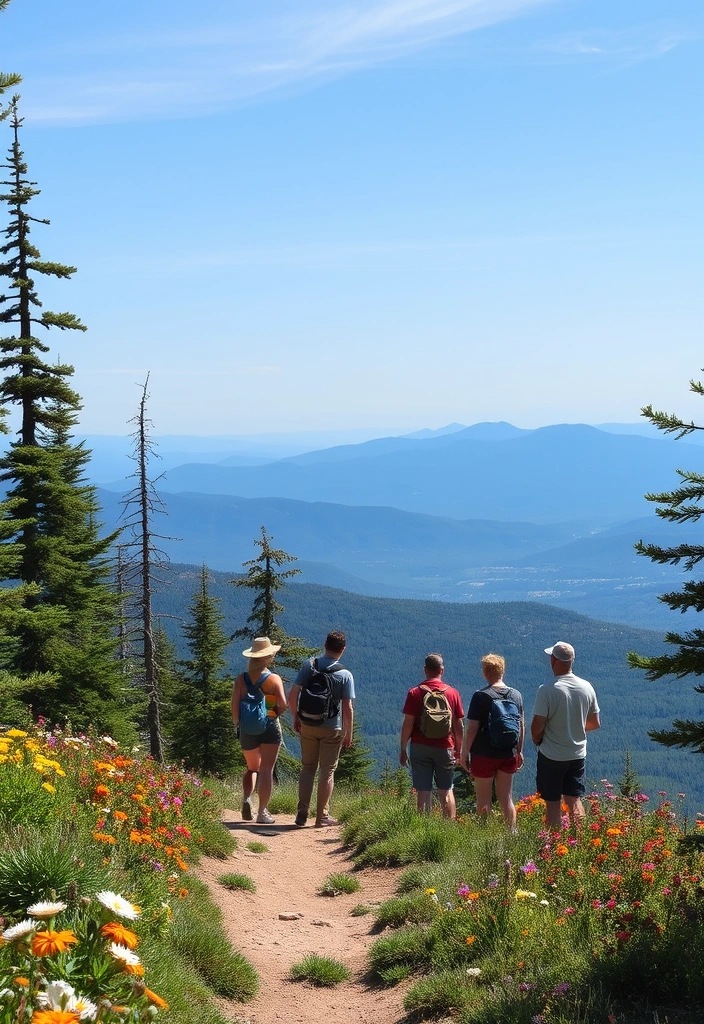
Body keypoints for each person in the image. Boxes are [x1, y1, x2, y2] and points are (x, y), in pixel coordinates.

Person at [530, 641, 601, 829]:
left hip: (552, 755)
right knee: (574, 800)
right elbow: (594, 723)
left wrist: (538, 739)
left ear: (553, 660)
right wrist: (574, 727)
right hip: (577, 754)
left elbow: (536, 728)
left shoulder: (547, 689)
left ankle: (553, 846)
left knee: (552, 803)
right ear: (572, 661)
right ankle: (581, 840)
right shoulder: (587, 687)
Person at [288, 630, 355, 828]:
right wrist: (348, 732)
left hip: (307, 724)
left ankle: (302, 809)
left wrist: (296, 717)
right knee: (327, 771)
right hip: (332, 729)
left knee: (308, 768)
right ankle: (322, 816)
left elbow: (293, 695)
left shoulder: (309, 666)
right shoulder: (345, 675)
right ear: (343, 649)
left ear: (324, 644)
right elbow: (348, 708)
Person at [460, 653, 524, 830]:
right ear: (502, 671)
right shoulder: (516, 695)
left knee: (483, 800)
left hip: (483, 754)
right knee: (507, 799)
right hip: (508, 753)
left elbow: (472, 727)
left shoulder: (481, 696)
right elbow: (521, 725)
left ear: (485, 672)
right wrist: (519, 750)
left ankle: (484, 837)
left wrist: (464, 753)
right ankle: (511, 834)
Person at [399, 653, 464, 817]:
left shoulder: (415, 693)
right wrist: (459, 750)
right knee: (447, 789)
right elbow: (458, 725)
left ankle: (424, 828)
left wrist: (403, 748)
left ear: (425, 670)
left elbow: (408, 723)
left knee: (423, 790)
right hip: (445, 746)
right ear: (442, 670)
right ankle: (448, 829)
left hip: (420, 746)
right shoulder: (452, 693)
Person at [231, 636, 287, 825]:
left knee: (252, 768)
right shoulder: (273, 679)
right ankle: (262, 812)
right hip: (269, 728)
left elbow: (234, 706)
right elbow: (283, 704)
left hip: (247, 729)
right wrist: (273, 715)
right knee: (266, 770)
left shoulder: (241, 679)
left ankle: (247, 797)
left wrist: (238, 725)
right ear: (268, 657)